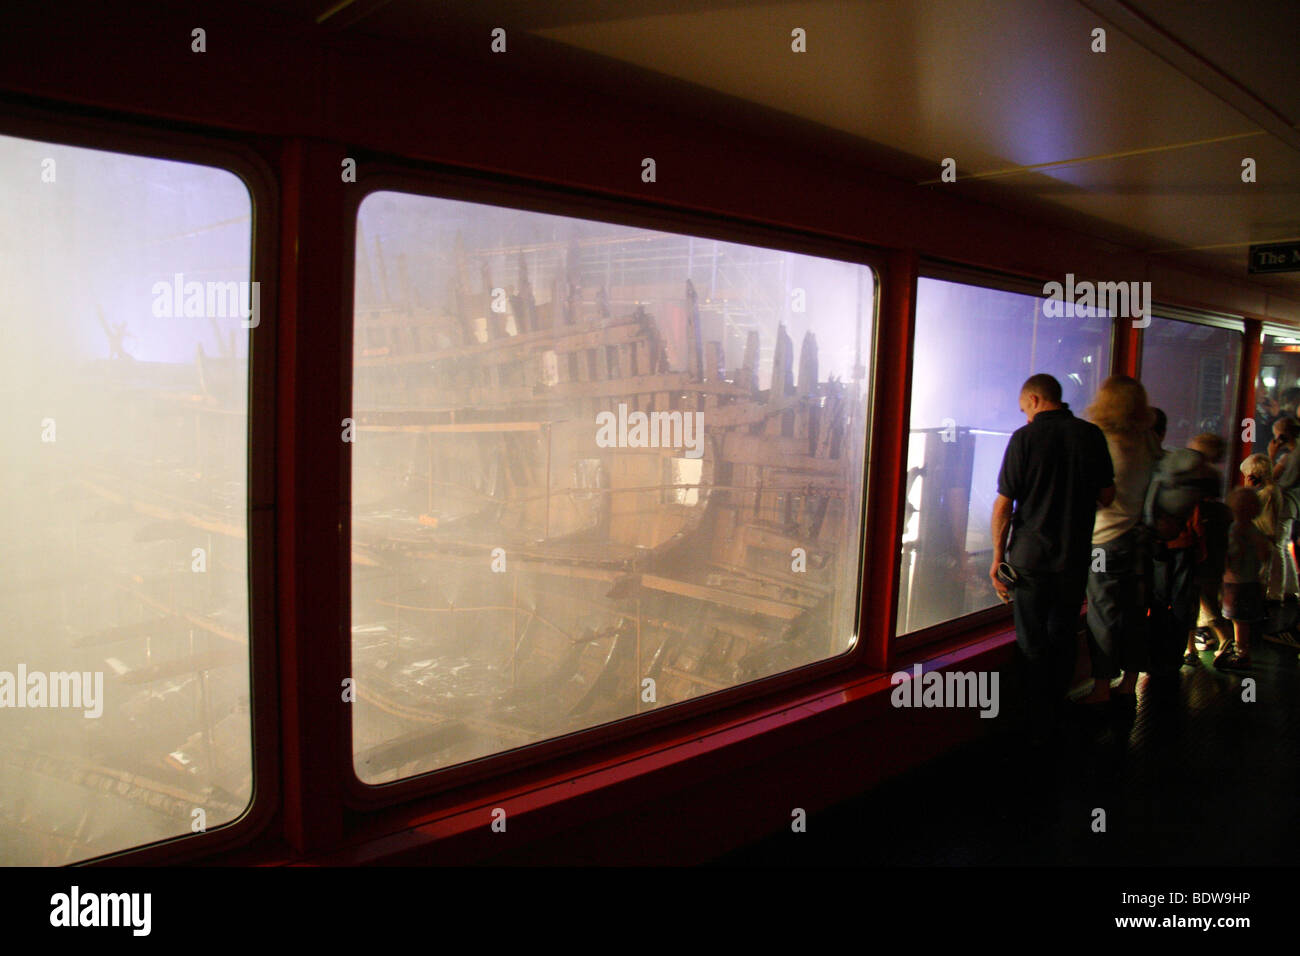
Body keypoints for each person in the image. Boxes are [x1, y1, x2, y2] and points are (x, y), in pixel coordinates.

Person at [990, 374, 1115, 738]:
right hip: (1074, 557)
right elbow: (1107, 496)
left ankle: (1033, 718)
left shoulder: (1024, 438)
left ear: (1033, 399)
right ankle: (1057, 710)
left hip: (1029, 559)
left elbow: (1003, 505)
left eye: (1023, 409)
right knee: (1062, 634)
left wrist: (998, 557)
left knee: (1031, 640)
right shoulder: (1091, 435)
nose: (1024, 416)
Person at [1080, 376, 1158, 703]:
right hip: (1139, 536)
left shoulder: (1102, 441)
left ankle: (1100, 689)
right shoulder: (1148, 440)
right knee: (1135, 614)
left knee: (1103, 615)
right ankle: (1129, 684)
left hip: (1104, 539)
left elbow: (1097, 494)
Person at [1144, 432, 1222, 675]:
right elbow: (1198, 519)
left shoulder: (1167, 462)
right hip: (1184, 545)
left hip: (1157, 542)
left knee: (1157, 602)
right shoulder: (1206, 476)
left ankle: (1152, 656)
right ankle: (1173, 659)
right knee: (1181, 604)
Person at [1184, 435, 1232, 665]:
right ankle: (1213, 641)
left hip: (1198, 549)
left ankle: (1223, 642)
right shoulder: (1221, 508)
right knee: (1207, 598)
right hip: (1211, 551)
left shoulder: (1199, 479)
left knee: (1199, 599)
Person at [1217, 487, 1271, 670]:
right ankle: (1242, 649)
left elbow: (1231, 554)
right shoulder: (1255, 530)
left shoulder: (1235, 530)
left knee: (1238, 620)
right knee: (1243, 620)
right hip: (1252, 580)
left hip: (1236, 582)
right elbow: (1265, 554)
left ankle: (1241, 654)